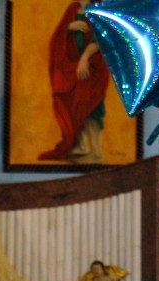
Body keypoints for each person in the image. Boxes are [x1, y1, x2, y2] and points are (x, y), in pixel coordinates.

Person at [40, 1, 110, 163]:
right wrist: (69, 27)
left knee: (93, 107)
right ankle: (82, 146)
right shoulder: (72, 9)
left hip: (93, 69)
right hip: (72, 70)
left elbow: (100, 37)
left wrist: (85, 58)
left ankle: (95, 150)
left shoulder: (99, 10)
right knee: (74, 105)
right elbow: (57, 37)